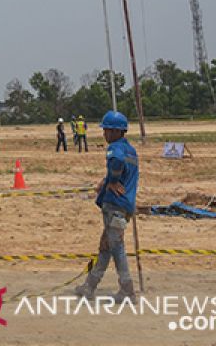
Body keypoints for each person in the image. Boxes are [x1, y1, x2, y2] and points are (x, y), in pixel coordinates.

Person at [74, 110, 139, 303]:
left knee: (116, 246)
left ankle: (127, 289)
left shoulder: (115, 149)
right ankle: (90, 286)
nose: (104, 134)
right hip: (125, 205)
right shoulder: (131, 150)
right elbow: (125, 170)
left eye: (107, 130)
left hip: (115, 205)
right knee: (106, 246)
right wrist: (106, 181)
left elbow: (116, 163)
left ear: (117, 132)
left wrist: (112, 180)